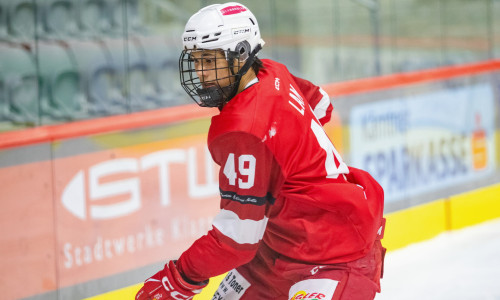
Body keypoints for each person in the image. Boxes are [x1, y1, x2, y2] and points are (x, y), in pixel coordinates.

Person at [136, 2, 385, 300]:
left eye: (209, 60)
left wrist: (179, 278)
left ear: (241, 53)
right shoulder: (272, 71)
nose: (200, 73)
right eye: (196, 61)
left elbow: (236, 239)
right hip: (274, 251)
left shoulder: (245, 129)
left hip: (334, 255)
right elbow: (321, 104)